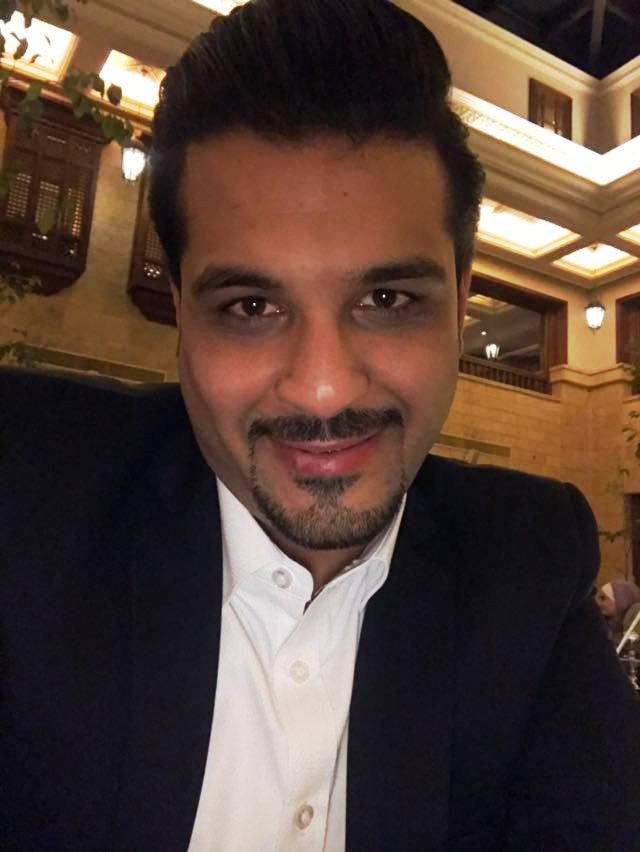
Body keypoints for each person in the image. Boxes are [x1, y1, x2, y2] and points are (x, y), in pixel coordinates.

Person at [2, 1, 639, 850]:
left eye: (388, 299)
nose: (324, 388)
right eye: (251, 306)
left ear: (460, 302)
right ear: (182, 309)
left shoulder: (526, 564)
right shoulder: (23, 491)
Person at [598, 580, 640, 645]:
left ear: (620, 597)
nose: (600, 604)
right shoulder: (606, 622)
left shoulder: (637, 613)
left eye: (603, 598)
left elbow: (630, 644)